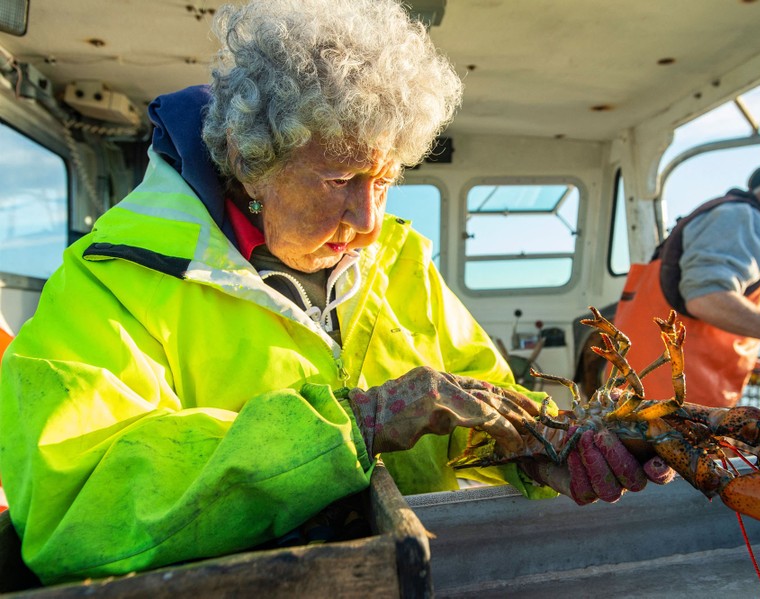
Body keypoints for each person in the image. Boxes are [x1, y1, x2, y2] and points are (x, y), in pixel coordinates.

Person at [0, 0, 671, 585]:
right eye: (341, 178)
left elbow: (480, 409)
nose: (370, 218)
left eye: (384, 180)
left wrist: (543, 449)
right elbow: (73, 509)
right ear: (247, 156)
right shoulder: (113, 282)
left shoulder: (399, 258)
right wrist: (356, 422)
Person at [595, 166, 760, 408]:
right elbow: (707, 299)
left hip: (639, 403)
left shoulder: (729, 216)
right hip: (670, 414)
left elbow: (694, 329)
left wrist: (758, 367)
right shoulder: (744, 218)